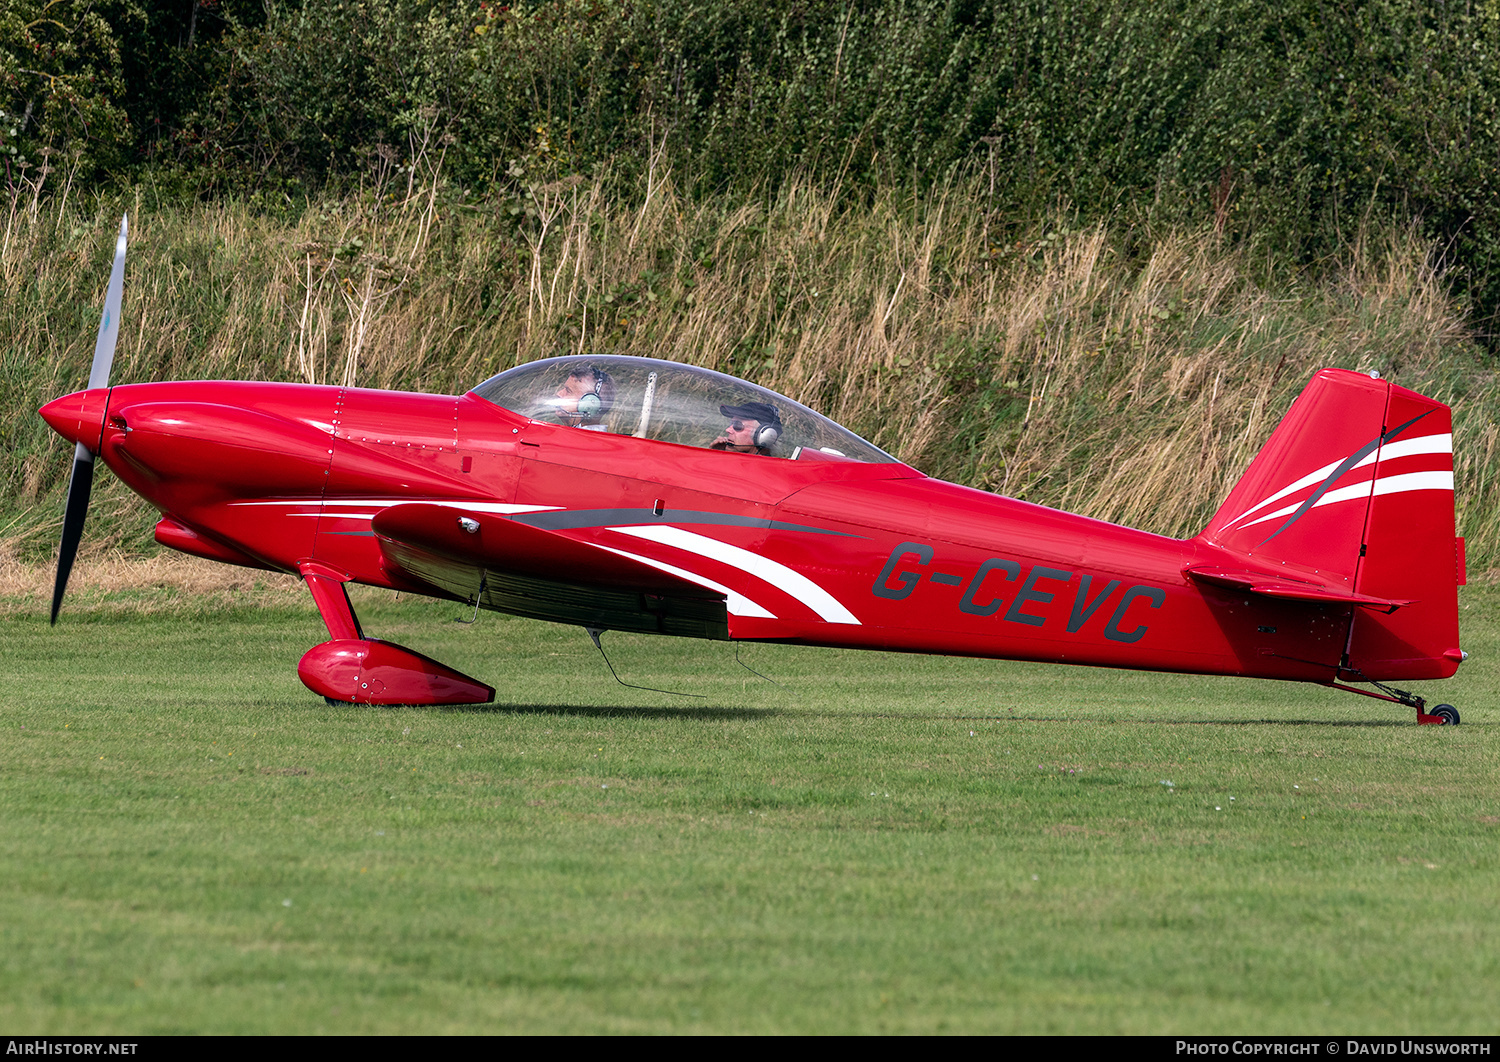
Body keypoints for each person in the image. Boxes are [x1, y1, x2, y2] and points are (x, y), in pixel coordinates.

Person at [543, 364, 614, 430]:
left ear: (589, 406)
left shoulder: (587, 442)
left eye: (568, 391)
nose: (559, 393)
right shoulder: (574, 437)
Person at [710, 401, 781, 455]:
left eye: (737, 425)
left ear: (765, 436)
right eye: (731, 423)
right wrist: (716, 455)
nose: (728, 430)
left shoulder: (766, 473)